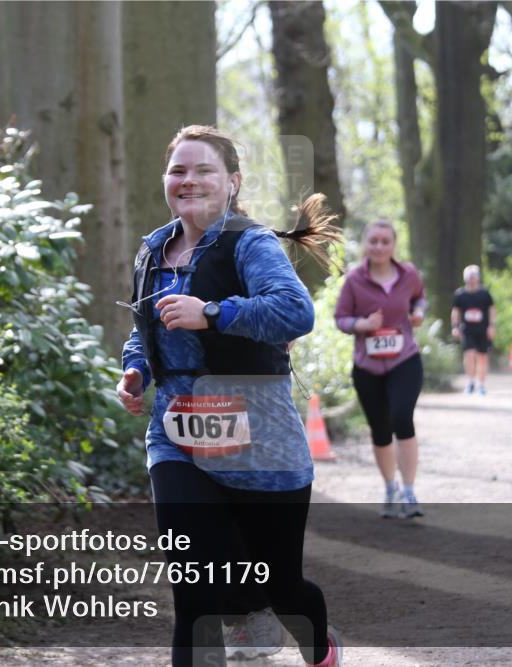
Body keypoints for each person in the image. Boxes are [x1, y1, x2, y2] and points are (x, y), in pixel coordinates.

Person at [116, 125, 343, 667]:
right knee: (195, 595)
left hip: (261, 444)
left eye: (204, 170)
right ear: (165, 180)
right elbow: (143, 329)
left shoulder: (250, 243)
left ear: (232, 182)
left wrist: (213, 313)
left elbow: (296, 311)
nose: (189, 180)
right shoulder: (153, 250)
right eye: (178, 171)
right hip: (178, 440)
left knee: (283, 589)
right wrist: (135, 370)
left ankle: (318, 646)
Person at [334, 219, 427, 519]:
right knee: (381, 430)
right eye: (373, 241)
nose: (379, 246)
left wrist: (418, 312)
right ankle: (390, 488)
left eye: (385, 241)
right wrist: (362, 324)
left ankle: (409, 491)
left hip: (405, 360)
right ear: (366, 244)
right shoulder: (354, 280)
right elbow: (340, 318)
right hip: (367, 366)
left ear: (394, 245)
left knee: (402, 418)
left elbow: (419, 297)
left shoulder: (408, 274)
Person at [451, 265, 496, 395]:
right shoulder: (460, 294)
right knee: (469, 355)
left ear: (478, 278)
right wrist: (455, 327)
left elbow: (492, 310)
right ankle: (470, 382)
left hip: (483, 330)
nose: (471, 279)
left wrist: (492, 326)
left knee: (482, 357)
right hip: (467, 330)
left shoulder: (485, 294)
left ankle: (481, 385)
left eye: (474, 276)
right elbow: (455, 311)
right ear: (465, 278)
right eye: (469, 277)